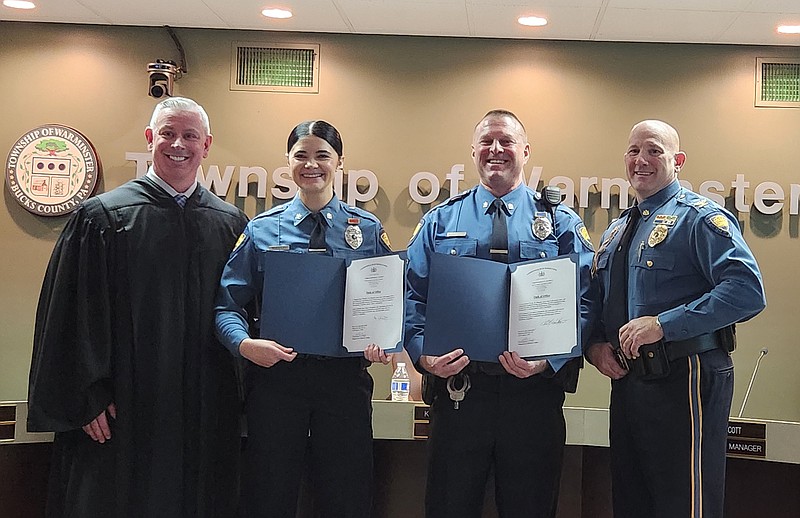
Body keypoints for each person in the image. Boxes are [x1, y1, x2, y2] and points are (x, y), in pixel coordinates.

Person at [27, 97, 248, 517]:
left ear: (207, 145)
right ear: (150, 139)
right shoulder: (102, 218)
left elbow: (242, 313)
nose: (177, 144)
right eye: (167, 133)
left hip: (206, 410)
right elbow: (71, 316)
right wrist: (87, 395)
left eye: (189, 135)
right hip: (125, 410)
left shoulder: (231, 224)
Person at [404, 109, 595, 518]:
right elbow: (410, 296)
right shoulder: (440, 220)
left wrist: (552, 357)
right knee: (448, 508)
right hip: (460, 394)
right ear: (473, 152)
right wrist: (423, 355)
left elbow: (587, 300)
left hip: (533, 398)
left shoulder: (559, 221)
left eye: (506, 141)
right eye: (487, 141)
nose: (496, 149)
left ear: (525, 151)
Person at [586, 119, 766, 518]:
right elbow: (600, 300)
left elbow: (747, 291)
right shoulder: (618, 231)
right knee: (631, 500)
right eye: (633, 151)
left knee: (683, 504)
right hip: (630, 382)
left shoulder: (699, 218)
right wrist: (594, 345)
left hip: (686, 378)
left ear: (677, 160)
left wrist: (663, 324)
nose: (641, 160)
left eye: (653, 150)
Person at [215, 120, 393, 518]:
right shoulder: (261, 230)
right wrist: (245, 345)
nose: (311, 164)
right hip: (278, 380)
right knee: (268, 494)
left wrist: (384, 340)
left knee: (348, 496)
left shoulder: (366, 231)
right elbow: (227, 306)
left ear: (340, 162)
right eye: (301, 156)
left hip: (343, 382)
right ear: (288, 163)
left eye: (322, 156)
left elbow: (386, 303)